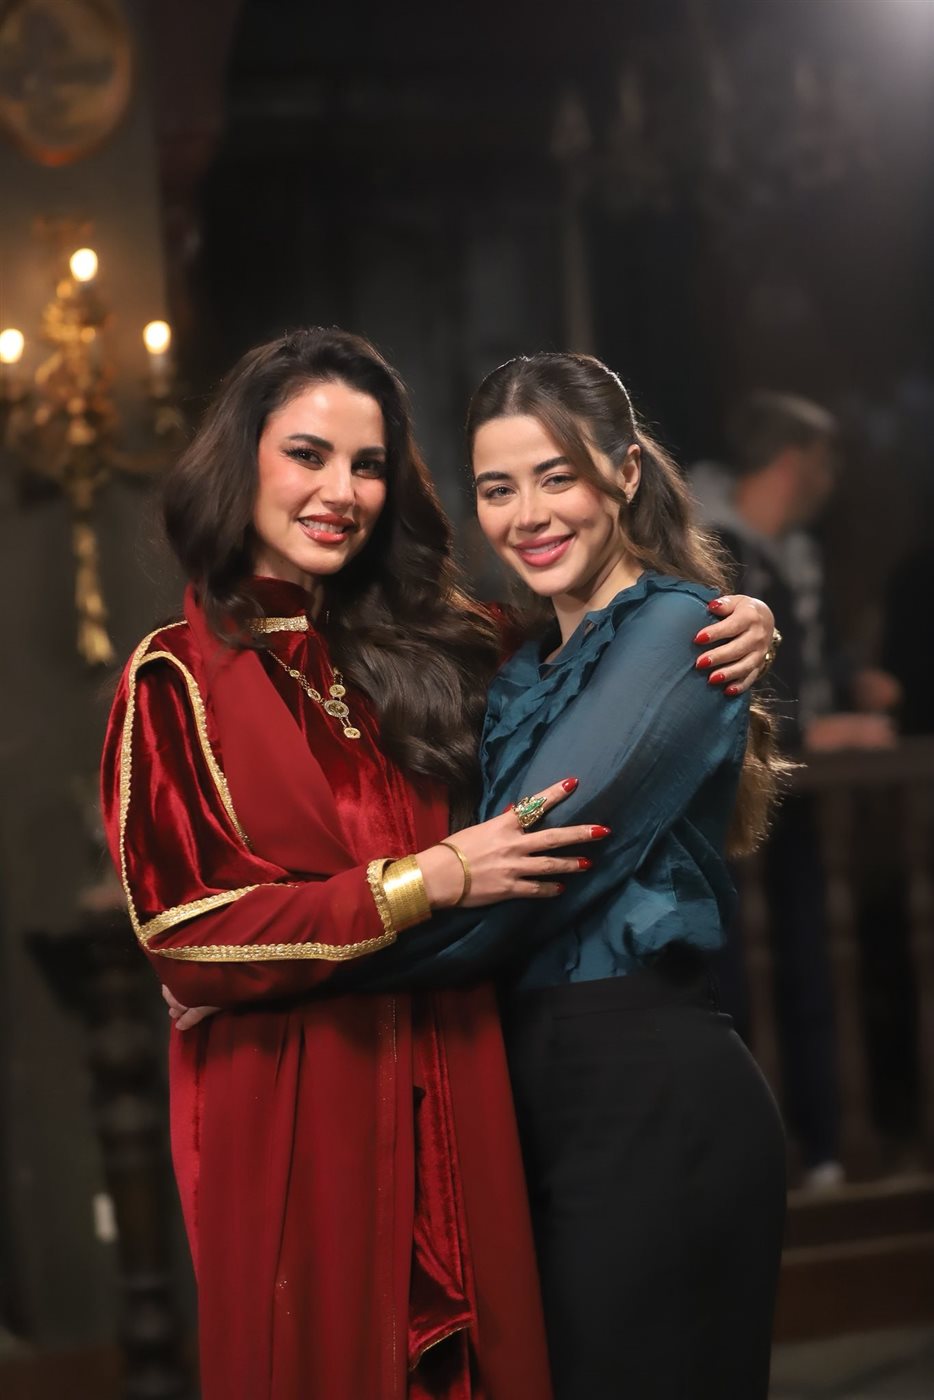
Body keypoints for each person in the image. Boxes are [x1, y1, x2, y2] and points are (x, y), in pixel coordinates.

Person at [103, 328, 774, 1400]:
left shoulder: (438, 646)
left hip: (475, 1097)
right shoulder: (176, 678)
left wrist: (740, 616)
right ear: (242, 460)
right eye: (308, 454)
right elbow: (189, 928)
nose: (341, 491)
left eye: (367, 464)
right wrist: (413, 884)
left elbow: (613, 648)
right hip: (310, 1111)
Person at [692, 391, 898, 1186]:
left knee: (812, 964)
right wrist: (819, 728)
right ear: (791, 463)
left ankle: (823, 1148)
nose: (830, 480)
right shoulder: (708, 550)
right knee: (738, 977)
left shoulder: (794, 555)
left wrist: (850, 686)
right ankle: (758, 1154)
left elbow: (807, 663)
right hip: (727, 808)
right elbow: (715, 685)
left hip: (797, 808)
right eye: (822, 463)